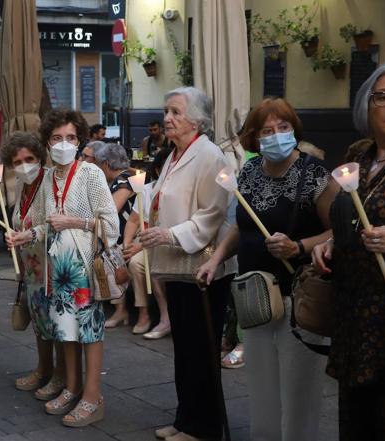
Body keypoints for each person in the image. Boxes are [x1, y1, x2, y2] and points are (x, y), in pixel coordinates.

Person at [198, 97, 337, 441]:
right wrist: (215, 259)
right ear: (255, 138)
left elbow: (337, 230)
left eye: (284, 127)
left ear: (294, 129)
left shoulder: (314, 174)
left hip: (298, 298)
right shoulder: (250, 170)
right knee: (261, 386)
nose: (276, 135)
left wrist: (299, 246)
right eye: (267, 130)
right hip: (255, 295)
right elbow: (241, 226)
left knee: (298, 389)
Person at [7, 108, 118, 427]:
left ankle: (93, 396)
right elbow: (44, 225)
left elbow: (110, 224)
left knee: (90, 331)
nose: (63, 143)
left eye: (70, 137)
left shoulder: (90, 174)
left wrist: (74, 221)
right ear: (47, 141)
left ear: (80, 139)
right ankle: (72, 387)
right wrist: (25, 234)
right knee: (66, 332)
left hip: (83, 266)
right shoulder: (47, 179)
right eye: (57, 138)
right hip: (57, 268)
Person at [139, 87, 235, 441]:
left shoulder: (210, 156)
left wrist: (171, 234)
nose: (167, 118)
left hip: (203, 265)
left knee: (201, 350)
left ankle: (204, 427)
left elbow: (215, 212)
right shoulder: (175, 154)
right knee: (184, 349)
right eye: (166, 111)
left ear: (197, 119)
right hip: (177, 265)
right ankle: (184, 420)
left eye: (176, 112)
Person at [312, 64, 385, 441]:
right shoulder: (359, 154)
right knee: (354, 413)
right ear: (367, 106)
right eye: (383, 97)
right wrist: (330, 242)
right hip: (352, 309)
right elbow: (345, 216)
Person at [0, 131, 66, 396]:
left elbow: (54, 219)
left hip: (52, 262)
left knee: (56, 322)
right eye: (17, 162)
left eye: (29, 158)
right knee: (39, 321)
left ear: (40, 157)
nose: (24, 165)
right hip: (32, 264)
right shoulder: (20, 185)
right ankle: (43, 368)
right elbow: (19, 218)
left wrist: (27, 233)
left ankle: (60, 376)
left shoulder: (50, 181)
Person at [122, 149, 172, 339]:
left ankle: (165, 318)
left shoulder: (175, 192)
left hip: (165, 243)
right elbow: (134, 220)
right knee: (133, 261)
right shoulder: (146, 190)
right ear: (158, 170)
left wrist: (139, 246)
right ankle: (143, 314)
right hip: (144, 241)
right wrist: (127, 244)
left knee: (146, 264)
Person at [89, 142, 140, 330]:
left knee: (104, 251)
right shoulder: (128, 176)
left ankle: (120, 310)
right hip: (122, 233)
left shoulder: (124, 180)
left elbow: (111, 210)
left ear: (105, 164)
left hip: (126, 236)